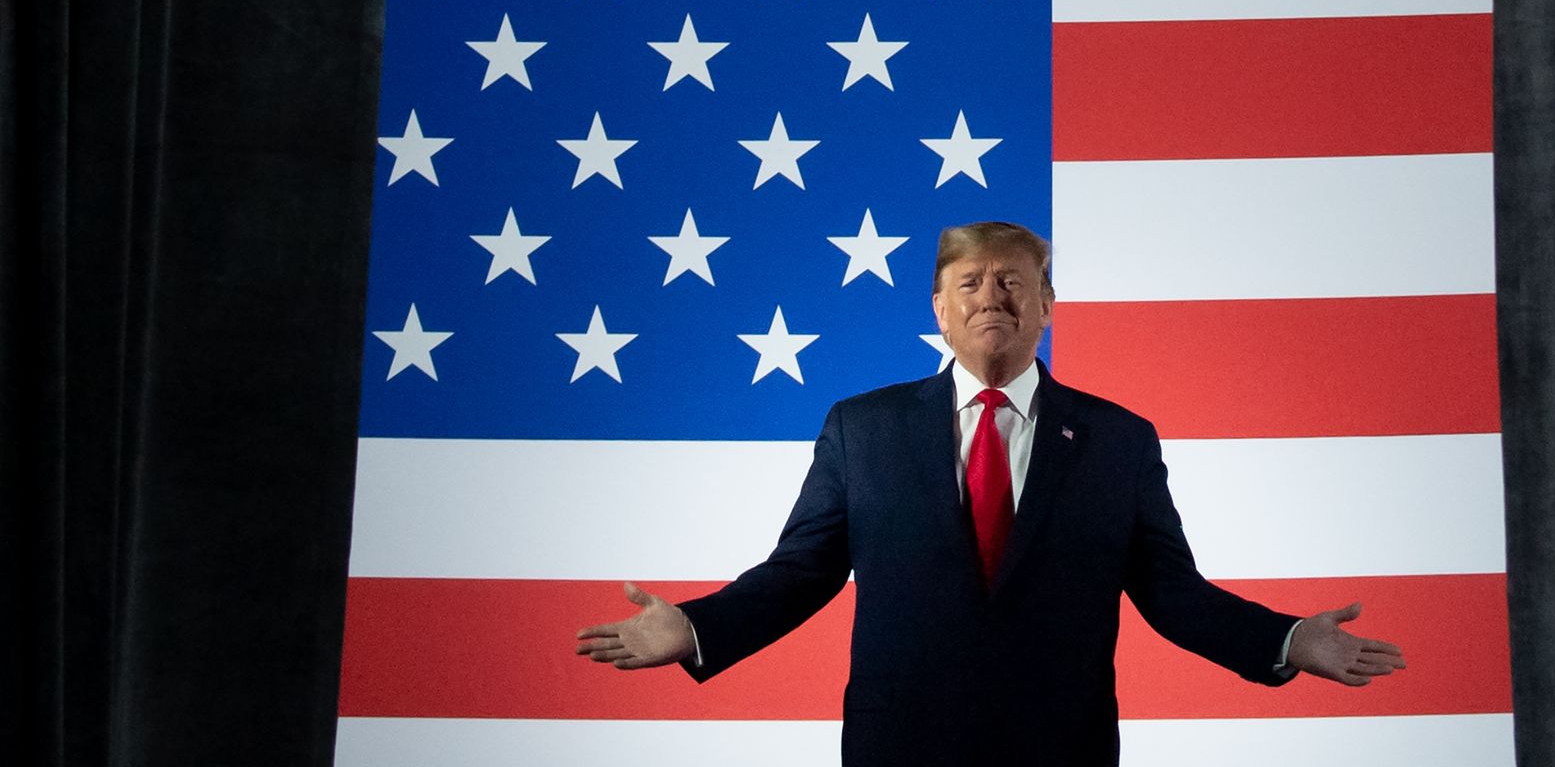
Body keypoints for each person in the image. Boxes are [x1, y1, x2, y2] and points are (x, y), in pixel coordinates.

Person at [574, 221, 1405, 766]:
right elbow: (801, 572)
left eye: (1013, 281)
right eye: (969, 283)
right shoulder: (862, 428)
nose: (991, 298)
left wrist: (1288, 640)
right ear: (939, 307)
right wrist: (693, 627)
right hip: (901, 748)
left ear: (1047, 302)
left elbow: (1169, 593)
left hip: (1060, 749)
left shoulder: (1119, 439)